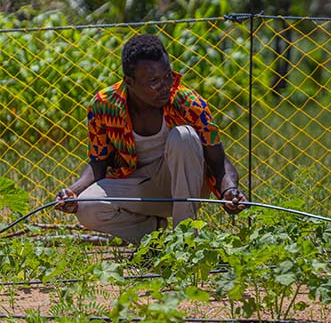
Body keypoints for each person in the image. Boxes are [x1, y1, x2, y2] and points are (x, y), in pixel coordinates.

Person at [55, 34, 248, 244]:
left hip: (184, 186)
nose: (165, 85)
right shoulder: (104, 106)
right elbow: (98, 162)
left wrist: (230, 190)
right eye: (153, 81)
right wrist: (73, 192)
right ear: (129, 81)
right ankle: (154, 238)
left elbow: (218, 161)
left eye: (167, 76)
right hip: (139, 186)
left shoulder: (187, 104)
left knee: (184, 136)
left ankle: (185, 241)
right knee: (87, 206)